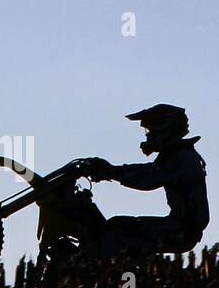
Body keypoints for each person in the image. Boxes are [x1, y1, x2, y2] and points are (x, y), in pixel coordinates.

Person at [81, 104, 210, 256]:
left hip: (181, 231)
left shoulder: (182, 159)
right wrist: (112, 171)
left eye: (150, 130)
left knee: (113, 234)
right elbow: (148, 170)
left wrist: (112, 172)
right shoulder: (176, 155)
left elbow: (148, 178)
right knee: (116, 224)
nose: (147, 135)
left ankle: (110, 274)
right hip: (178, 227)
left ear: (164, 129)